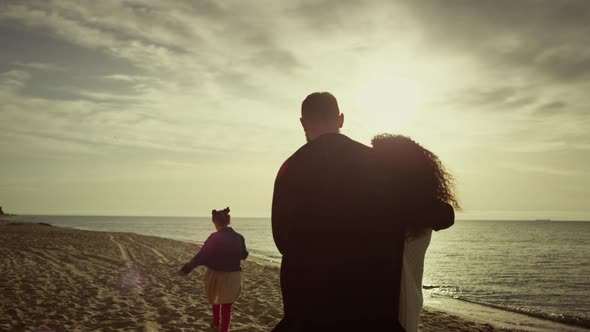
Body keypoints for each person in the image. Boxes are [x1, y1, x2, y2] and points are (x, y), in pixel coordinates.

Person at [271, 92, 406, 331]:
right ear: (341, 119)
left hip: (309, 304)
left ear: (303, 122)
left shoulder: (290, 167)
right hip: (369, 302)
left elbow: (282, 237)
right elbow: (401, 213)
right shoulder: (375, 161)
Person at [372, 134, 458, 332]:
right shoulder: (420, 207)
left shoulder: (411, 207)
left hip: (399, 311)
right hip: (396, 309)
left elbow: (446, 216)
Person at [177, 207, 248, 332]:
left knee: (215, 299)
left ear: (215, 223)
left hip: (216, 274)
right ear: (228, 221)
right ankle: (223, 330)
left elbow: (201, 255)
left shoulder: (214, 237)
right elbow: (244, 255)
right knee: (227, 306)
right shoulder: (239, 237)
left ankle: (215, 324)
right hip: (234, 276)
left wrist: (186, 269)